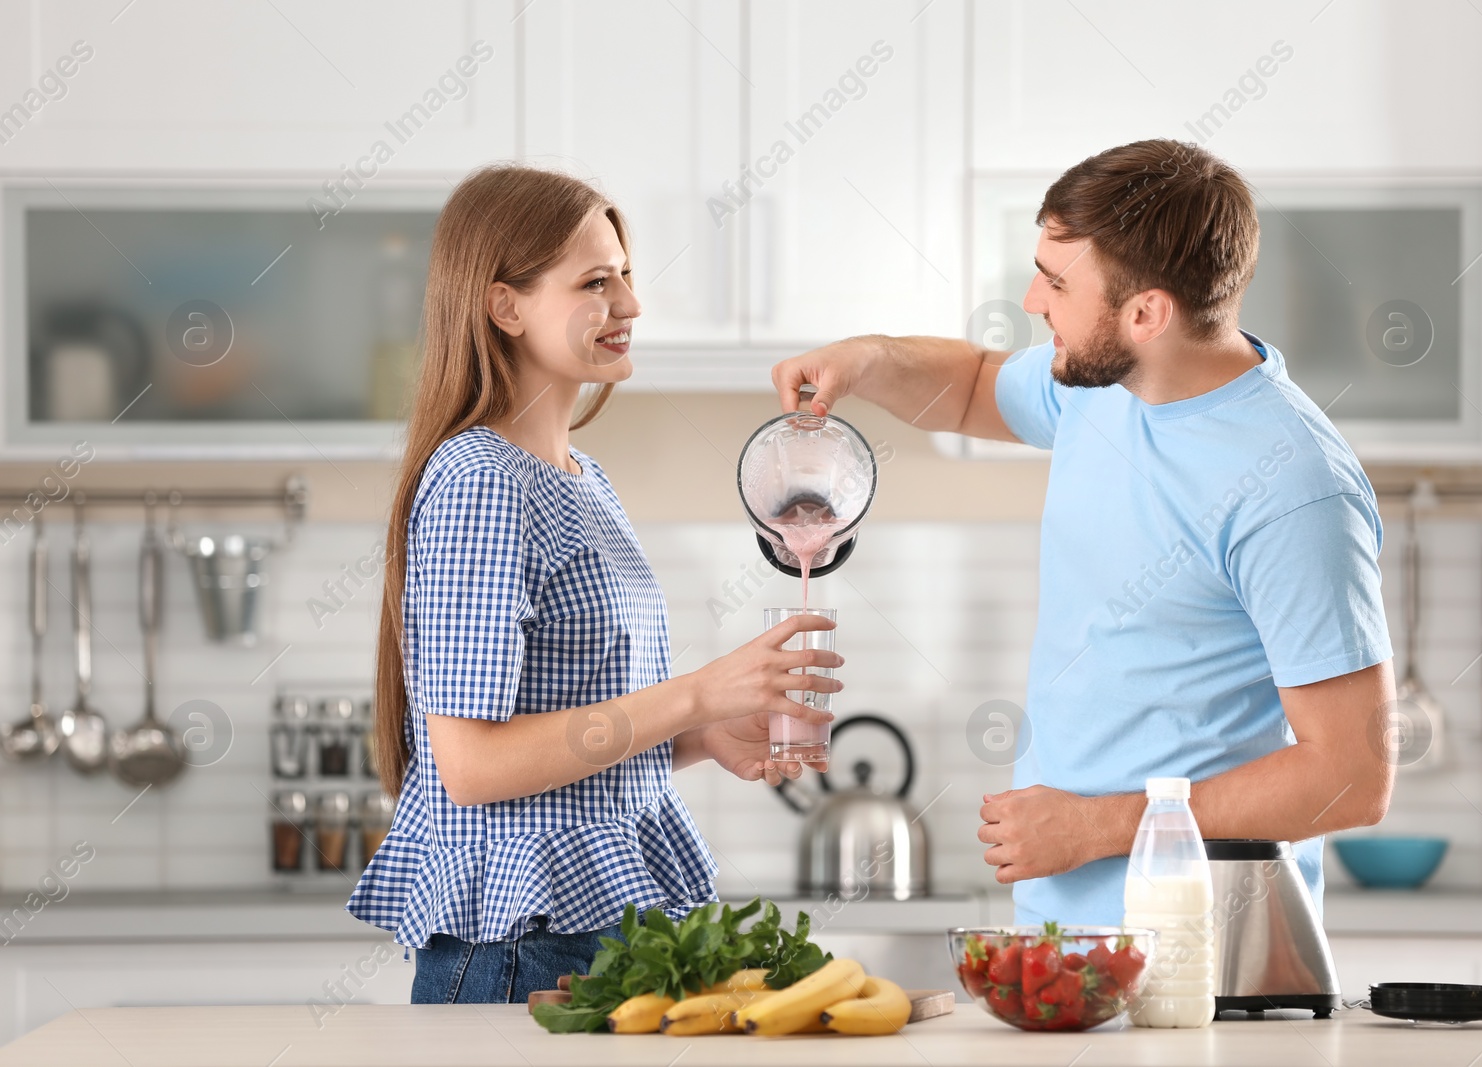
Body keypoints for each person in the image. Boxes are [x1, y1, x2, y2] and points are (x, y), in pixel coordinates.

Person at [771, 139, 1396, 926]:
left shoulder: (1294, 487)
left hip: (1207, 963)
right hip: (1070, 943)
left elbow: (1351, 775)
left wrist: (1095, 826)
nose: (1033, 300)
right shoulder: (1106, 385)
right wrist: (865, 358)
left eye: (1058, 282)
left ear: (1146, 313)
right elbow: (971, 387)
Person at [348, 164, 841, 1002]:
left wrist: (702, 733)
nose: (632, 306)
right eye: (595, 282)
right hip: (520, 945)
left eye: (627, 276)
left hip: (593, 928)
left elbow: (563, 736)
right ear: (505, 306)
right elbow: (470, 765)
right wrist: (695, 694)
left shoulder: (580, 476)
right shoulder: (480, 479)